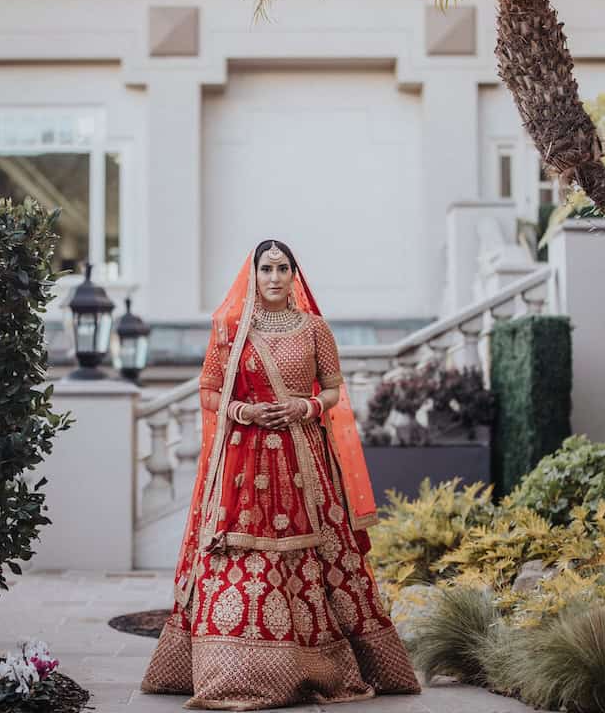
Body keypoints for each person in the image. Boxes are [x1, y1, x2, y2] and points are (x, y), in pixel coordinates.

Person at [140, 239, 421, 710]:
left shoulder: (314, 329)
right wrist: (245, 410)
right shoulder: (230, 329)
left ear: (295, 275)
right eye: (266, 268)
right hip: (242, 464)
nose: (274, 276)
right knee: (236, 554)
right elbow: (208, 392)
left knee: (325, 557)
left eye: (282, 268)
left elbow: (333, 390)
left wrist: (305, 405)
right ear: (253, 274)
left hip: (305, 459)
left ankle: (330, 664)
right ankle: (229, 671)